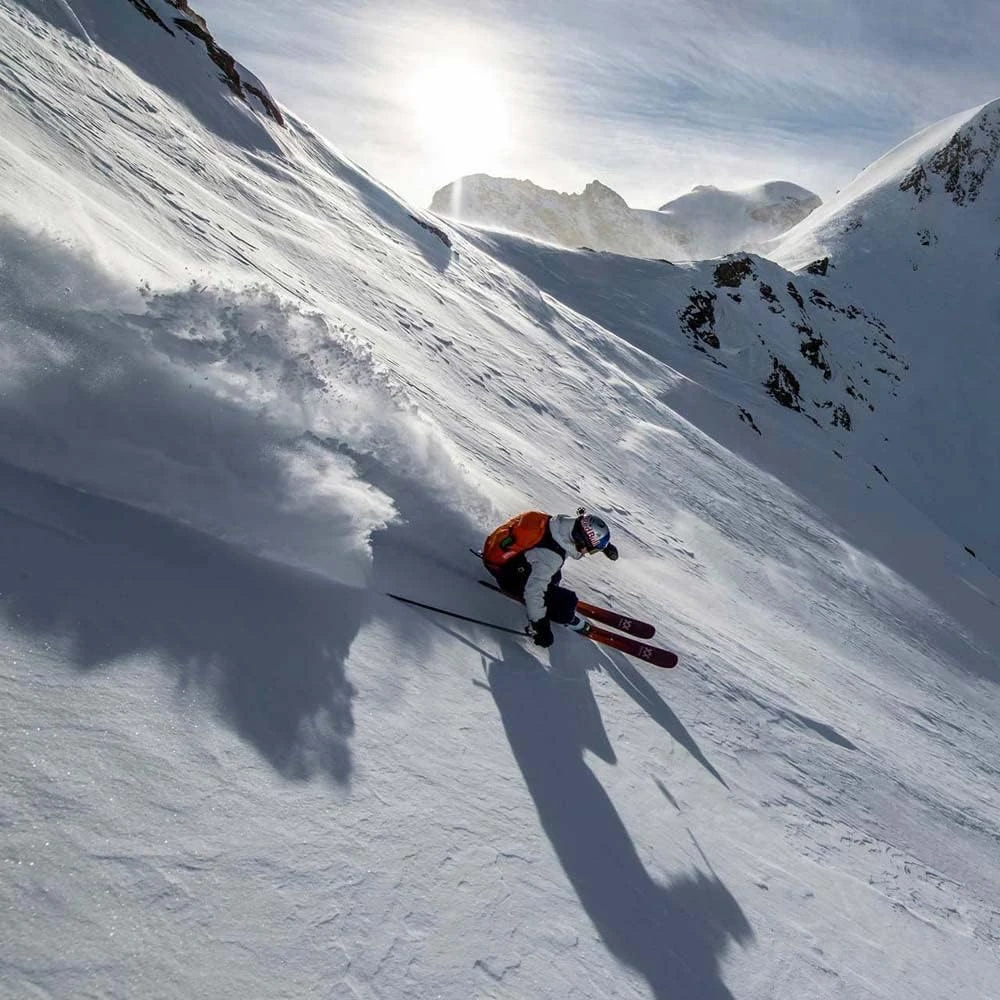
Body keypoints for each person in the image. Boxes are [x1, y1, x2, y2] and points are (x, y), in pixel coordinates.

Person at [481, 509, 619, 648]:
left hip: (505, 556)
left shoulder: (557, 525)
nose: (588, 553)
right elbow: (533, 591)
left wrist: (604, 547)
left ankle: (546, 596)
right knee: (567, 603)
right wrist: (540, 625)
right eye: (591, 549)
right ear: (582, 541)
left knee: (554, 575)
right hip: (506, 576)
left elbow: (584, 531)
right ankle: (558, 614)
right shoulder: (550, 557)